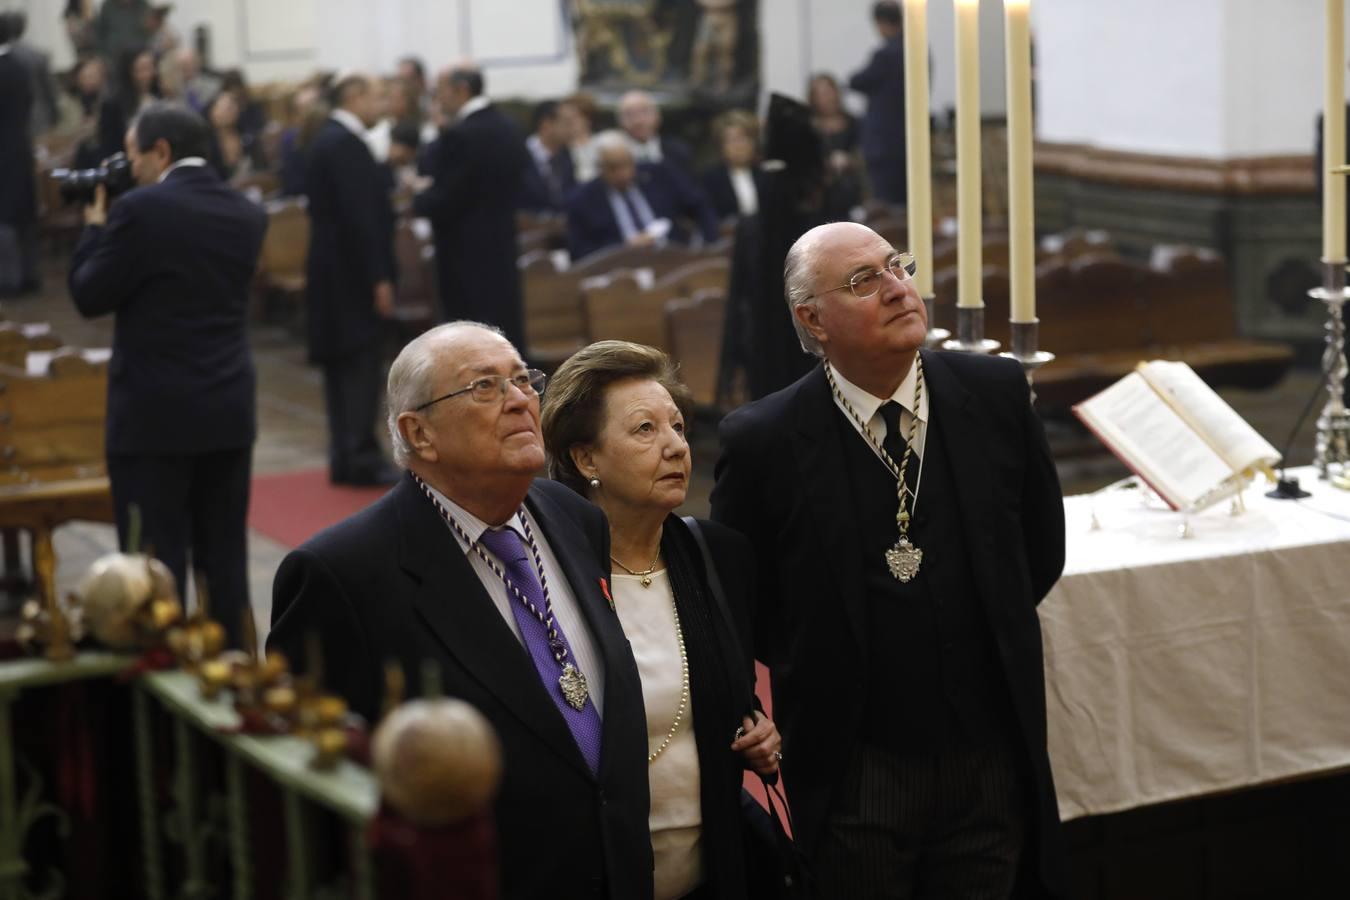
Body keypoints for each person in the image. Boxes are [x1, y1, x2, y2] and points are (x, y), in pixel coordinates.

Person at [710, 221, 1069, 898]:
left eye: (896, 267)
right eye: (863, 281)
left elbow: (1039, 549)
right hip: (853, 764)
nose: (898, 288)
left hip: (987, 753)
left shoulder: (992, 393)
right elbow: (742, 600)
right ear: (812, 319)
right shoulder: (766, 440)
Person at [269, 321, 655, 900]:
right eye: (485, 387)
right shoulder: (340, 575)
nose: (521, 400)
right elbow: (312, 787)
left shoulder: (576, 518)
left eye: (524, 380)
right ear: (417, 433)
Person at [541, 340, 782, 900]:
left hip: (710, 872)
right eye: (645, 430)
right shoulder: (550, 575)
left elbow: (735, 697)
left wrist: (758, 732)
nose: (676, 447)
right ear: (586, 459)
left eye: (677, 426)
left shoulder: (715, 556)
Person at [68, 102, 266, 647]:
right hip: (227, 408)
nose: (127, 169)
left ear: (161, 151)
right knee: (225, 562)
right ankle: (234, 678)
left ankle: (163, 682)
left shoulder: (142, 210)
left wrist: (92, 227)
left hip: (154, 416)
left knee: (154, 564)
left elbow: (89, 293)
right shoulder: (248, 211)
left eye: (132, 155)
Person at [304, 73, 399, 487]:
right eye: (377, 95)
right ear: (354, 97)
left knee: (343, 368)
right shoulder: (347, 144)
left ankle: (345, 454)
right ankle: (360, 455)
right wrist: (379, 276)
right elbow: (362, 220)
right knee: (359, 363)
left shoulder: (328, 138)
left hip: (333, 272)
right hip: (352, 276)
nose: (382, 103)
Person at [413, 66, 530, 348]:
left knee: (471, 340)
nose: (438, 100)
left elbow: (447, 199)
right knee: (504, 334)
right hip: (502, 248)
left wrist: (419, 196)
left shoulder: (463, 135)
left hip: (465, 257)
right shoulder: (509, 126)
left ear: (461, 90)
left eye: (440, 91)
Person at [566, 130, 720, 262]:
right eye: (613, 168)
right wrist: (623, 247)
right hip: (619, 270)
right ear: (600, 168)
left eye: (627, 164)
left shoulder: (659, 175)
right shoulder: (582, 200)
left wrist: (709, 245)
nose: (623, 174)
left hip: (671, 259)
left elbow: (700, 204)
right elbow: (579, 252)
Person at [848, 1, 907, 204]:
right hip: (908, 133)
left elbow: (858, 81)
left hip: (884, 141)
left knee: (886, 202)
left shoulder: (886, 54)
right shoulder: (918, 50)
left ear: (881, 23)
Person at [0, 15, 37, 298]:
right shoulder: (22, 66)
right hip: (21, 146)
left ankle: (9, 280)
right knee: (24, 215)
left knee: (6, 217)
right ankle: (29, 276)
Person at [699, 109, 762, 221]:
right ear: (720, 145)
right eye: (732, 140)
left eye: (744, 139)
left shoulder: (766, 174)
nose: (739, 146)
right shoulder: (710, 178)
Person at [618, 90, 694, 178]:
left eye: (644, 112)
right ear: (620, 121)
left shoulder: (678, 151)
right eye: (629, 114)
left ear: (658, 116)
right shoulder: (613, 157)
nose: (638, 121)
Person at [519, 100, 576, 215]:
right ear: (546, 125)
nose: (574, 129)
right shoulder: (520, 156)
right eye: (567, 123)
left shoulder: (566, 157)